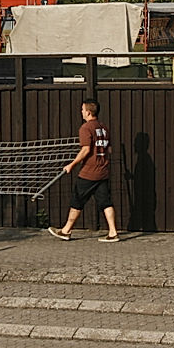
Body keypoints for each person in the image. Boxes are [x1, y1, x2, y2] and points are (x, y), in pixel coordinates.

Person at [47, 98, 120, 242]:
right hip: (103, 171)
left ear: (88, 112)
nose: (81, 112)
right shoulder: (103, 128)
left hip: (89, 173)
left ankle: (66, 231)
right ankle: (113, 232)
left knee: (77, 201)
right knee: (106, 202)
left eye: (82, 110)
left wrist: (72, 164)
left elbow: (85, 150)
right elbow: (109, 149)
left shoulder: (86, 128)